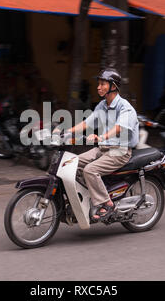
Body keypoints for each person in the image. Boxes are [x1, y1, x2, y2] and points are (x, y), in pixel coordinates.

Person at [65, 69, 139, 221]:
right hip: (103, 149)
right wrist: (67, 132)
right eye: (98, 84)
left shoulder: (125, 107)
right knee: (72, 164)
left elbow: (120, 127)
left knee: (90, 170)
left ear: (113, 86)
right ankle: (88, 199)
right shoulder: (102, 105)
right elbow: (87, 123)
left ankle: (108, 203)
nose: (98, 87)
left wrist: (102, 136)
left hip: (120, 151)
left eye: (102, 84)